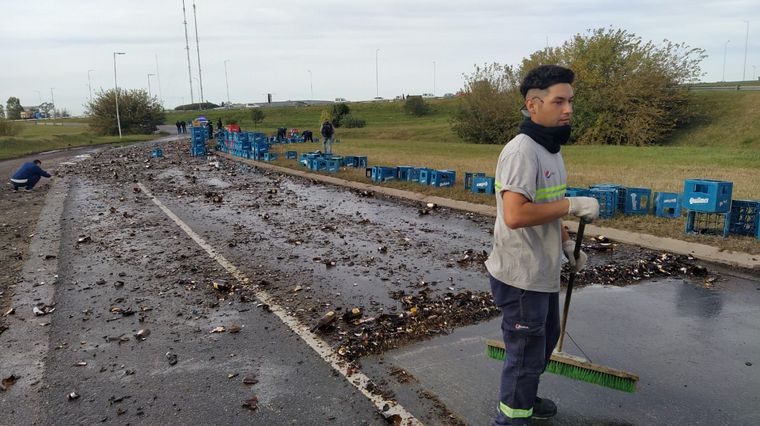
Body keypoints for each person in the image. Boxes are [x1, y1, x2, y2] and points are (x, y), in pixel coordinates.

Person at [485, 65, 600, 425]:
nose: (568, 109)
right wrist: (571, 205)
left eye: (570, 101)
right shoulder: (522, 152)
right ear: (533, 105)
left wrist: (567, 244)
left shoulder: (550, 148)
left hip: (543, 267)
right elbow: (516, 215)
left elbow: (546, 206)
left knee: (543, 340)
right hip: (521, 275)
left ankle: (525, 398)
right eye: (559, 101)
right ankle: (511, 418)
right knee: (524, 352)